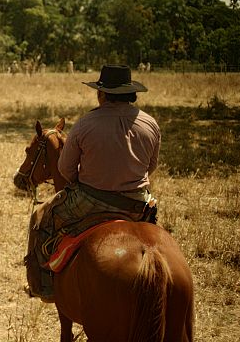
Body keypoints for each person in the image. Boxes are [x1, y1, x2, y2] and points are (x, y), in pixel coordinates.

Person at [25, 65, 160, 303]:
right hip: (137, 204)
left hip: (90, 201)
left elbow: (65, 170)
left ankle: (43, 285)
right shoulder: (150, 123)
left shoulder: (86, 123)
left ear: (101, 94)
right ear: (130, 94)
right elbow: (151, 167)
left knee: (40, 218)